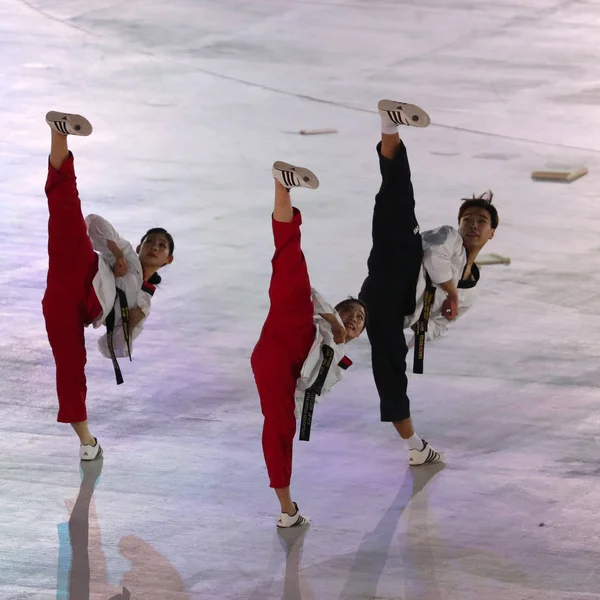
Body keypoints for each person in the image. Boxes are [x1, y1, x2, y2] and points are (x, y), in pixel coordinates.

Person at [359, 99, 499, 466]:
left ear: (491, 234)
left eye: (481, 221)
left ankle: (415, 446)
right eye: (468, 217)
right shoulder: (448, 237)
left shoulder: (472, 293)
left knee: (392, 371)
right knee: (398, 199)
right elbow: (434, 257)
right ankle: (390, 126)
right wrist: (450, 290)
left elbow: (440, 323)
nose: (472, 224)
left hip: (392, 308)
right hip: (399, 263)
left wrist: (416, 338)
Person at [42, 111, 175, 461]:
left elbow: (109, 347)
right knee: (65, 205)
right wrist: (115, 252)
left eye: (162, 246)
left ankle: (87, 441)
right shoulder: (129, 254)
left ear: (167, 260)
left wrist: (129, 324)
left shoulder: (145, 303)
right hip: (81, 266)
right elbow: (94, 223)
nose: (155, 247)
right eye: (153, 241)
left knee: (71, 369)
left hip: (71, 306)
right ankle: (60, 134)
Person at [251, 161, 367, 527]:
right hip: (295, 328)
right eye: (349, 310)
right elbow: (314, 296)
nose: (352, 317)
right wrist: (332, 318)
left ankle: (287, 509)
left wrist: (292, 410)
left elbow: (310, 392)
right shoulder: (319, 313)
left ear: (361, 334)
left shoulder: (340, 363)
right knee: (290, 258)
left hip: (284, 368)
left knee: (279, 427)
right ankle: (282, 186)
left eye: (359, 319)